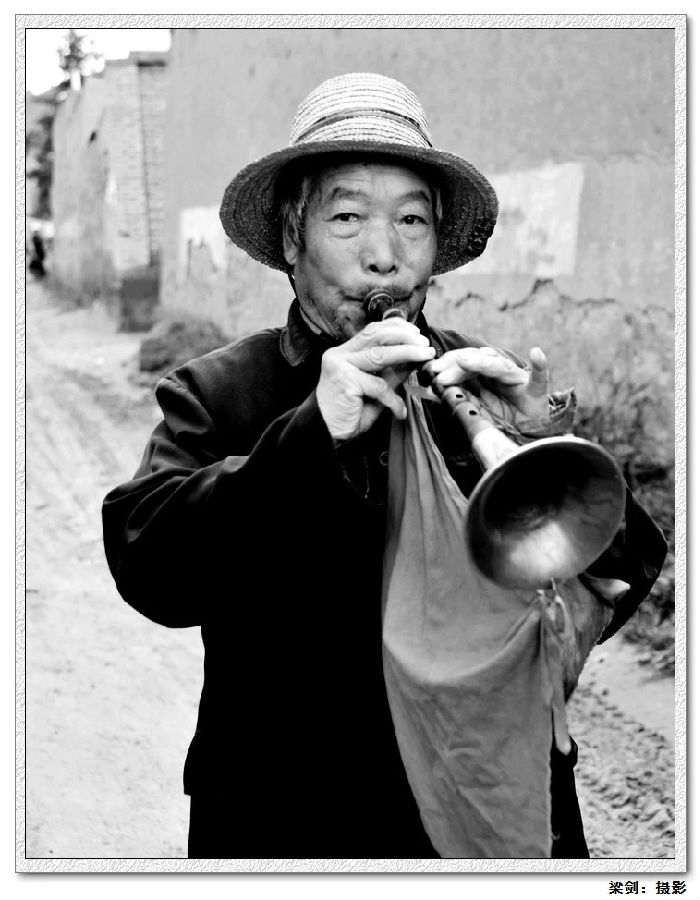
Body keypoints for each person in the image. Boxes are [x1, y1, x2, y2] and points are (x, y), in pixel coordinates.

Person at [102, 72, 666, 859]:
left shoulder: (476, 378)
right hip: (290, 823)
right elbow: (150, 567)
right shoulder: (218, 392)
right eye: (346, 218)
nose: (384, 257)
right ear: (292, 238)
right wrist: (311, 435)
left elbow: (624, 569)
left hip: (481, 811)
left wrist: (544, 447)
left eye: (411, 220)